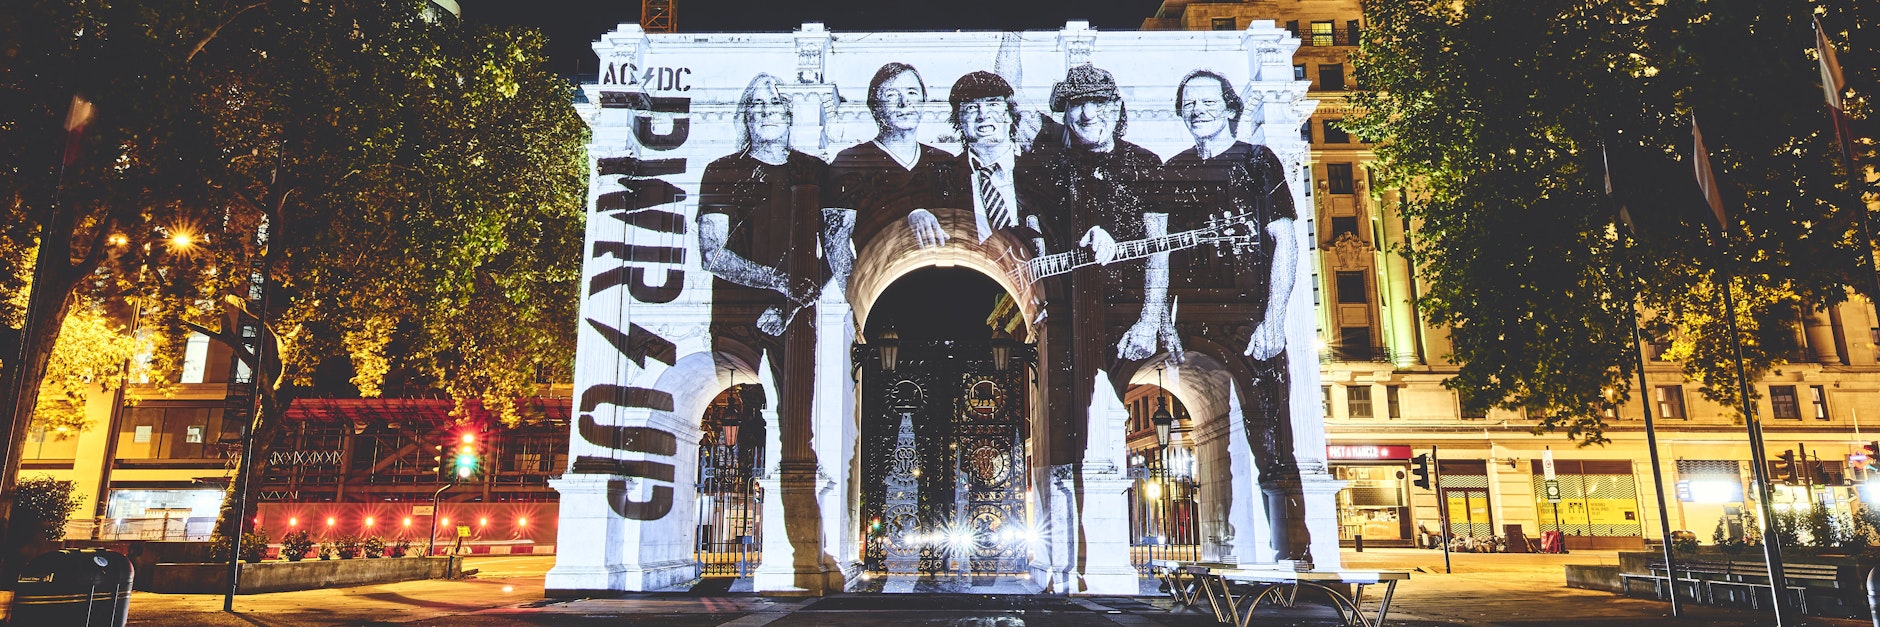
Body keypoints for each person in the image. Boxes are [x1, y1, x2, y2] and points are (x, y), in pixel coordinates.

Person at [696, 72, 828, 385]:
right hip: (734, 318)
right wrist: (780, 282)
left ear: (790, 114)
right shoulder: (721, 170)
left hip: (797, 316)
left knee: (799, 420)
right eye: (757, 103)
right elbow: (711, 253)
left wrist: (789, 304)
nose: (767, 110)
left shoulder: (817, 171)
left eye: (775, 102)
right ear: (746, 115)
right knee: (733, 405)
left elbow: (836, 249)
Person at [824, 63, 958, 252]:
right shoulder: (850, 162)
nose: (905, 103)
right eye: (892, 95)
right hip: (879, 277)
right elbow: (835, 246)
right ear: (875, 107)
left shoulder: (946, 162)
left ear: (924, 102)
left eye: (912, 93)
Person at [945, 71, 1041, 250]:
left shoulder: (1041, 173)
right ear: (959, 120)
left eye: (993, 104)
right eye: (972, 107)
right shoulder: (944, 179)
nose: (983, 115)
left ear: (1010, 114)